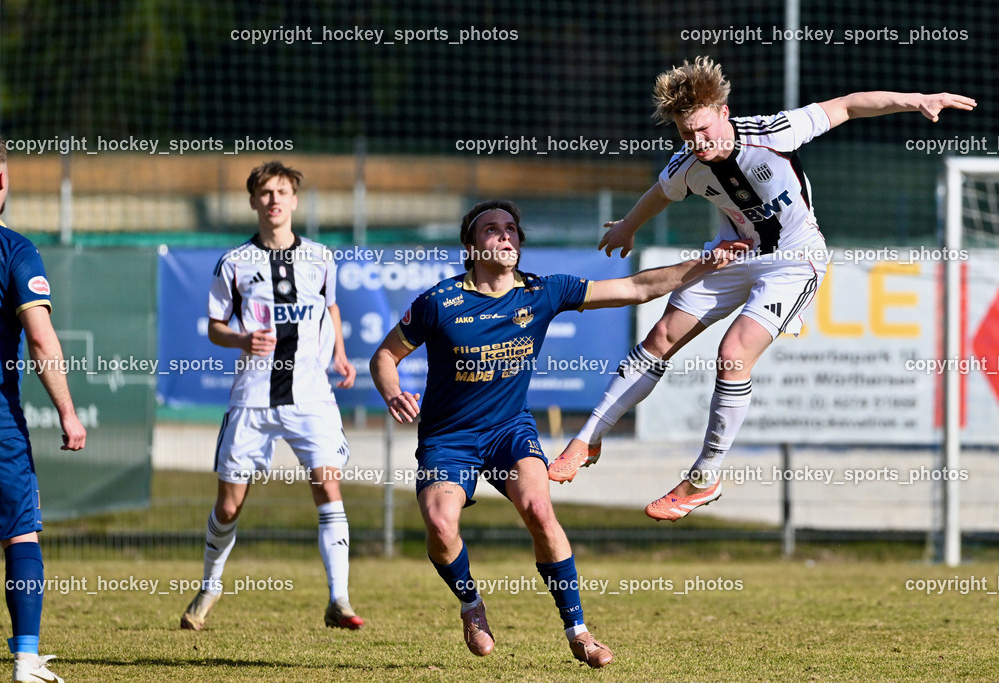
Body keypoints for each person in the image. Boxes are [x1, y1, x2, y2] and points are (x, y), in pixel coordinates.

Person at [548, 56, 977, 521]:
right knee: (659, 339)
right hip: (731, 255)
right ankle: (587, 440)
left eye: (705, 128)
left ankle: (703, 477)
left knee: (733, 354)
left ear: (725, 111)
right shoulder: (687, 165)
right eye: (687, 133)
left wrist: (917, 100)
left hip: (793, 262)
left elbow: (850, 105)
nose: (699, 141)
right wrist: (628, 227)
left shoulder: (773, 134)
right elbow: (659, 193)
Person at [370, 199, 744, 668]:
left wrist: (706, 262)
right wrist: (391, 391)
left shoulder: (542, 292)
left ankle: (580, 632)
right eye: (491, 229)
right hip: (450, 439)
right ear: (471, 246)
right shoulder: (438, 303)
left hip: (509, 429)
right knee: (442, 526)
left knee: (539, 509)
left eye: (511, 228)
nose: (505, 235)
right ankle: (471, 605)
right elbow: (384, 357)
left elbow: (636, 286)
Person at [180, 161, 363, 632]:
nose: (274, 200)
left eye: (282, 192)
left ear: (295, 201)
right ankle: (211, 583)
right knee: (228, 504)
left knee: (327, 484)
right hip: (253, 398)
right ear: (253, 202)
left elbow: (331, 306)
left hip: (311, 396)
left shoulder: (322, 257)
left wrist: (341, 355)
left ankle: (339, 599)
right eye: (266, 193)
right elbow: (215, 326)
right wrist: (241, 340)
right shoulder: (234, 264)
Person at [0, 131, 87, 683]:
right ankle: (25, 659)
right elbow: (41, 341)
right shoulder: (15, 249)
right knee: (21, 529)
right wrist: (67, 411)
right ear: (1, 180)